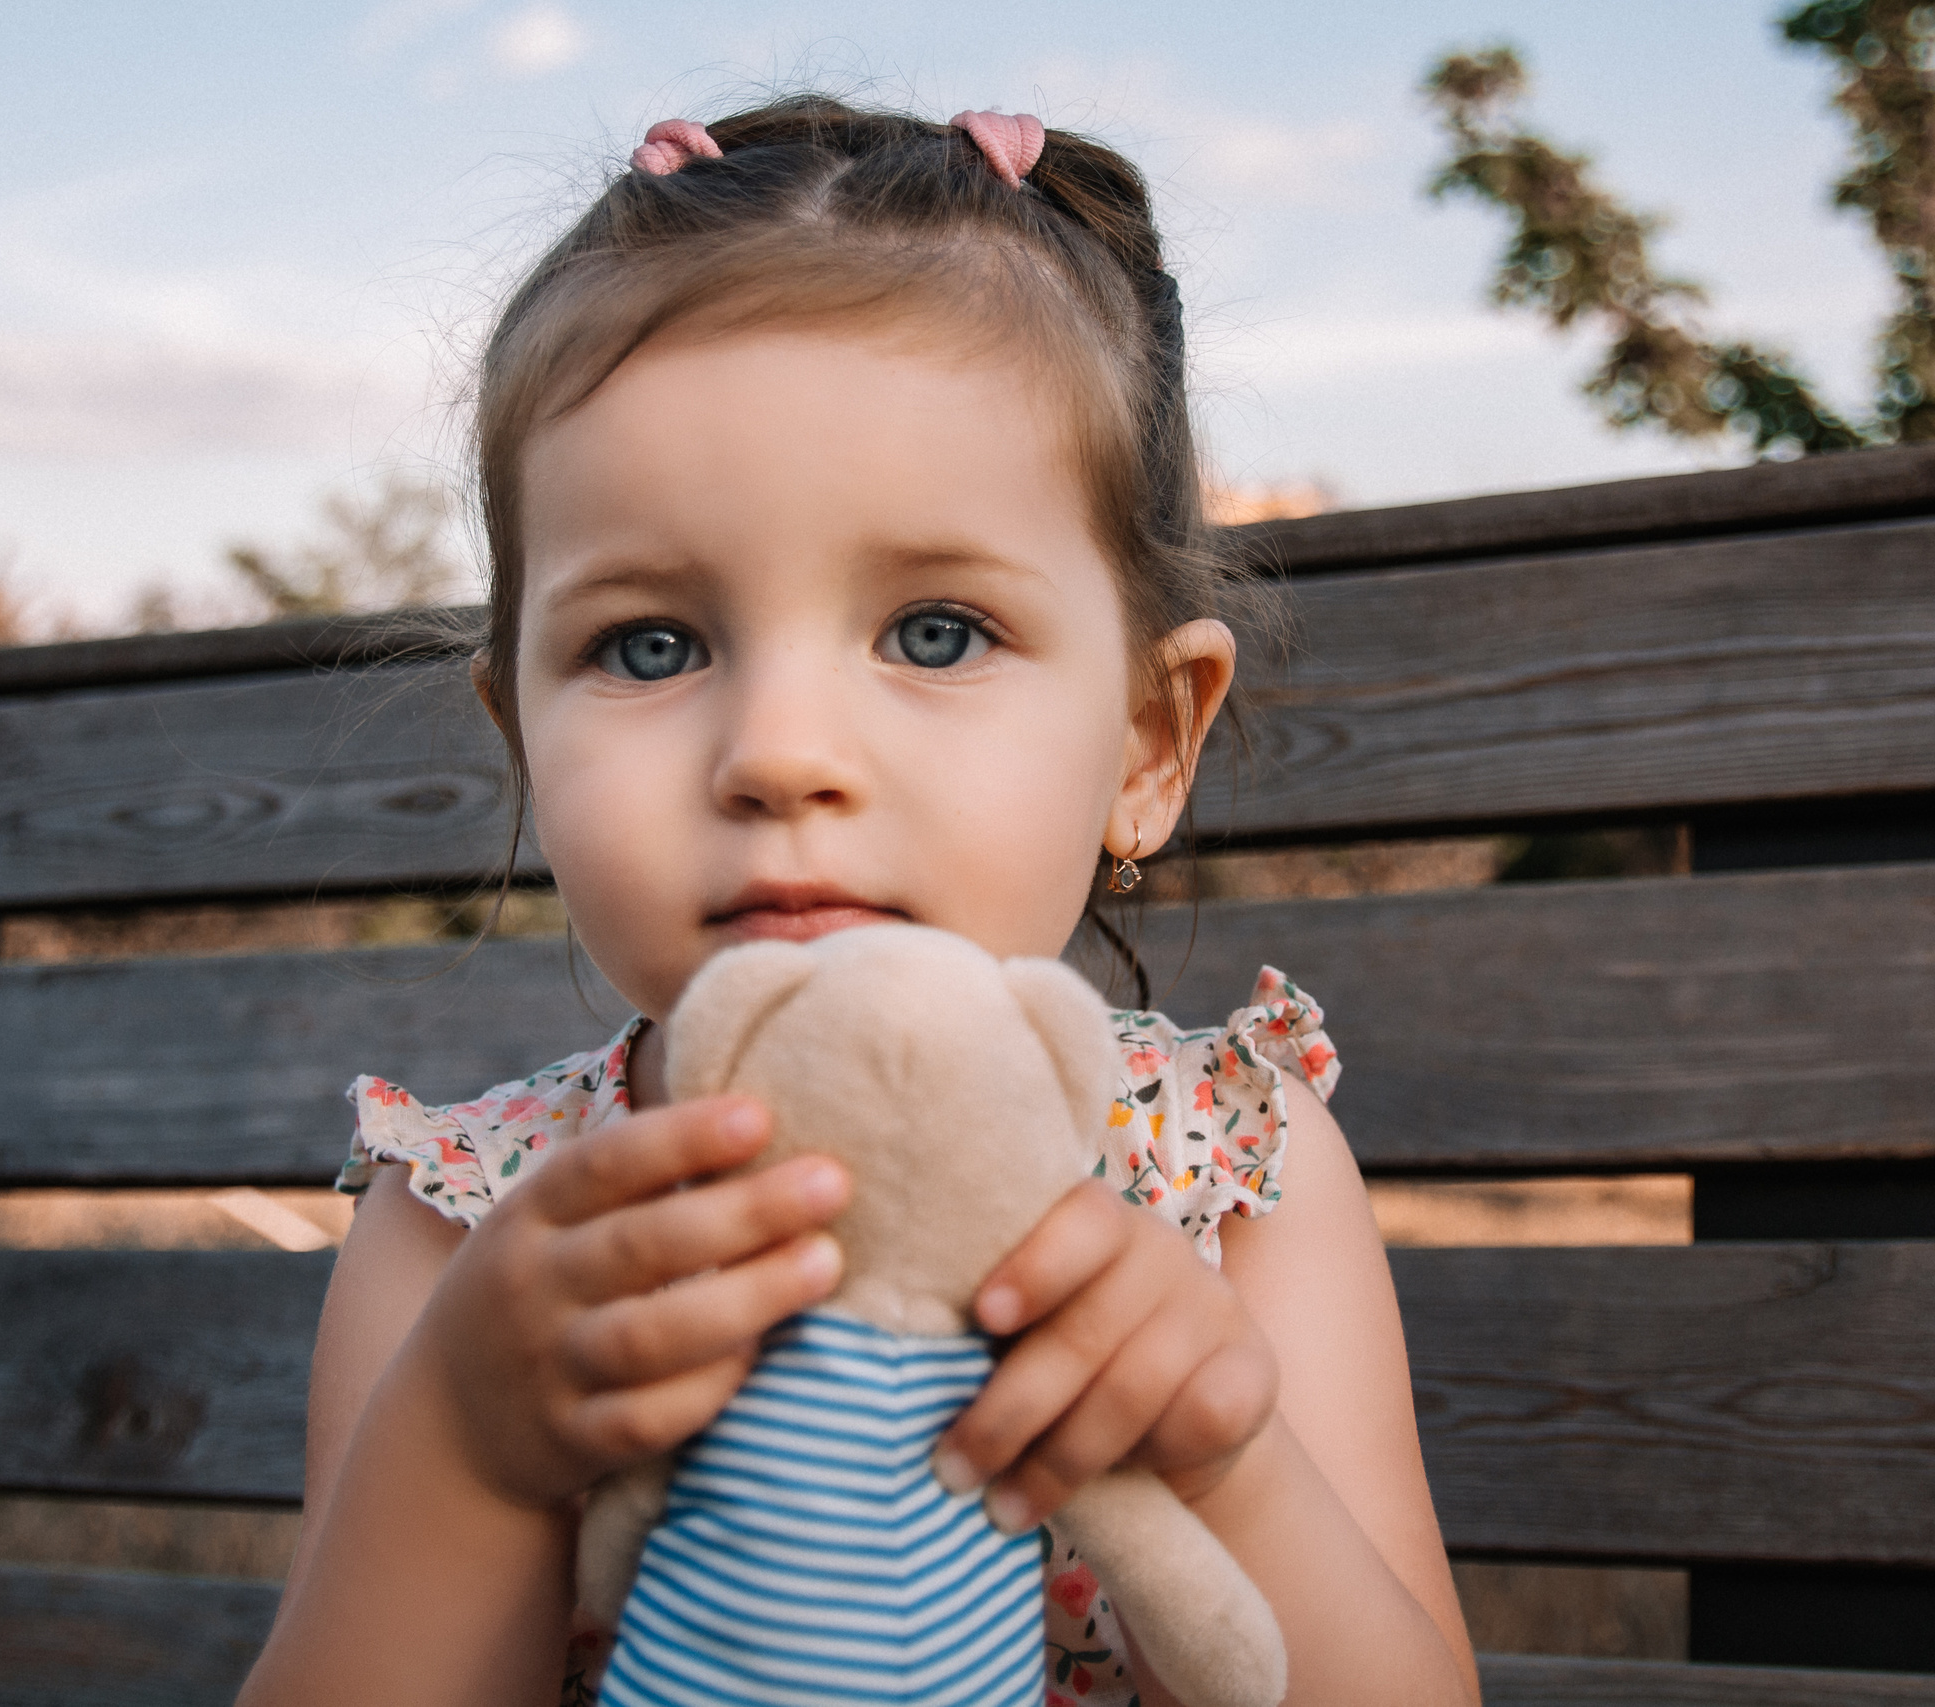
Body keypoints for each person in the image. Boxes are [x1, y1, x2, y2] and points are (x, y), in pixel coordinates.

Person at [237, 96, 1479, 1707]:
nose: (781, 756)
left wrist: (1227, 1463)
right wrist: (467, 1450)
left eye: (938, 632)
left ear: (1146, 743)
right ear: (524, 741)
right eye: (652, 646)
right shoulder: (474, 1224)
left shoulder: (1233, 1184)